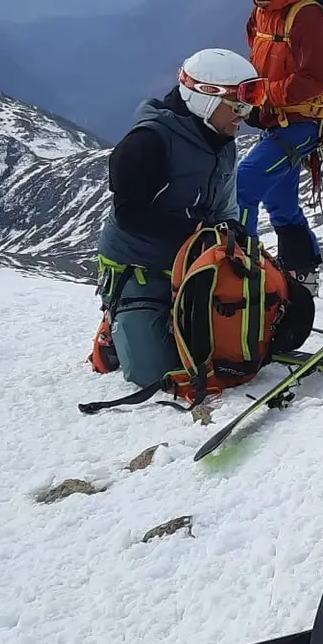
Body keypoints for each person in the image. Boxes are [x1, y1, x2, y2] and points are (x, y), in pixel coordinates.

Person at [96, 47, 258, 391]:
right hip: (138, 266)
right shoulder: (146, 143)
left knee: (232, 350)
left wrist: (231, 237)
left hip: (194, 264)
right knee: (154, 373)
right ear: (205, 99)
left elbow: (225, 207)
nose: (244, 115)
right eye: (237, 105)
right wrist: (198, 233)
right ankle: (118, 322)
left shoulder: (223, 143)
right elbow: (130, 216)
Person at [237, 0, 323, 288]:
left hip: (303, 124)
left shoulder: (305, 14)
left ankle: (239, 272)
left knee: (244, 184)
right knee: (280, 202)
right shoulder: (262, 12)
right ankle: (304, 271)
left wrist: (265, 95)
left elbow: (317, 78)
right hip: (278, 121)